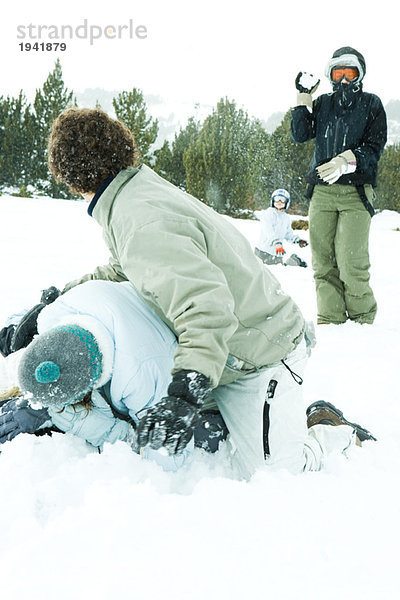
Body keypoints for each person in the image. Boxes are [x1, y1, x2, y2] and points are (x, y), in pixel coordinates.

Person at [27, 105, 375, 480]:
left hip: (260, 355)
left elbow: (207, 308)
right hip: (222, 355)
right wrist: (56, 300)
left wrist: (184, 393)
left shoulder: (140, 218)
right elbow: (125, 267)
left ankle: (329, 429)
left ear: (71, 174)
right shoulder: (131, 192)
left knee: (274, 473)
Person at [0, 280, 229, 469]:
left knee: (205, 437)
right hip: (132, 328)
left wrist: (91, 425)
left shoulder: (141, 375)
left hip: (209, 366)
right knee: (13, 340)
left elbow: (167, 458)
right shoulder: (56, 313)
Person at [291, 46, 387, 325]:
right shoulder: (322, 104)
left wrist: (347, 161)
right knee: (323, 263)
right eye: (338, 73)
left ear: (360, 75)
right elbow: (300, 134)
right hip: (321, 192)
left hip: (356, 194)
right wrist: (303, 98)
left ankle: (362, 319)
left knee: (351, 263)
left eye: (350, 73)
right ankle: (330, 319)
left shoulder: (372, 104)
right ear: (330, 76)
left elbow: (374, 146)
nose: (344, 79)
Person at [254, 188, 308, 267]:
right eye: (277, 199)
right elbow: (268, 230)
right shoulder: (269, 213)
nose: (279, 202)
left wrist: (297, 240)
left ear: (287, 203)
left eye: (282, 200)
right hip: (263, 251)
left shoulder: (286, 218)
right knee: (262, 272)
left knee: (277, 273)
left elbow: (288, 234)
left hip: (277, 253)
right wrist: (276, 242)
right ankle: (293, 261)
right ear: (272, 201)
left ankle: (295, 261)